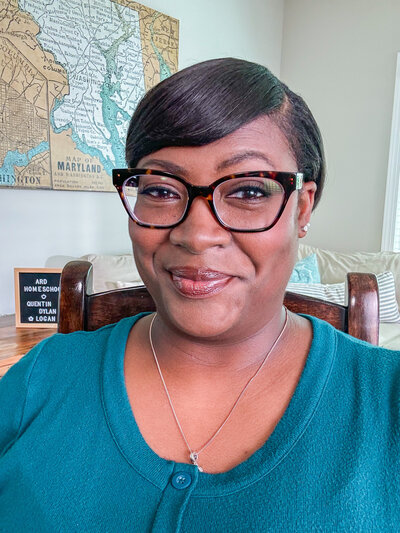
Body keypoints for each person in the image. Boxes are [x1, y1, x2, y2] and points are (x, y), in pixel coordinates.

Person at [0, 58, 399, 532]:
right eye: (162, 189)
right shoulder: (40, 378)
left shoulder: (386, 401)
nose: (196, 234)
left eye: (250, 192)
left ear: (303, 207)